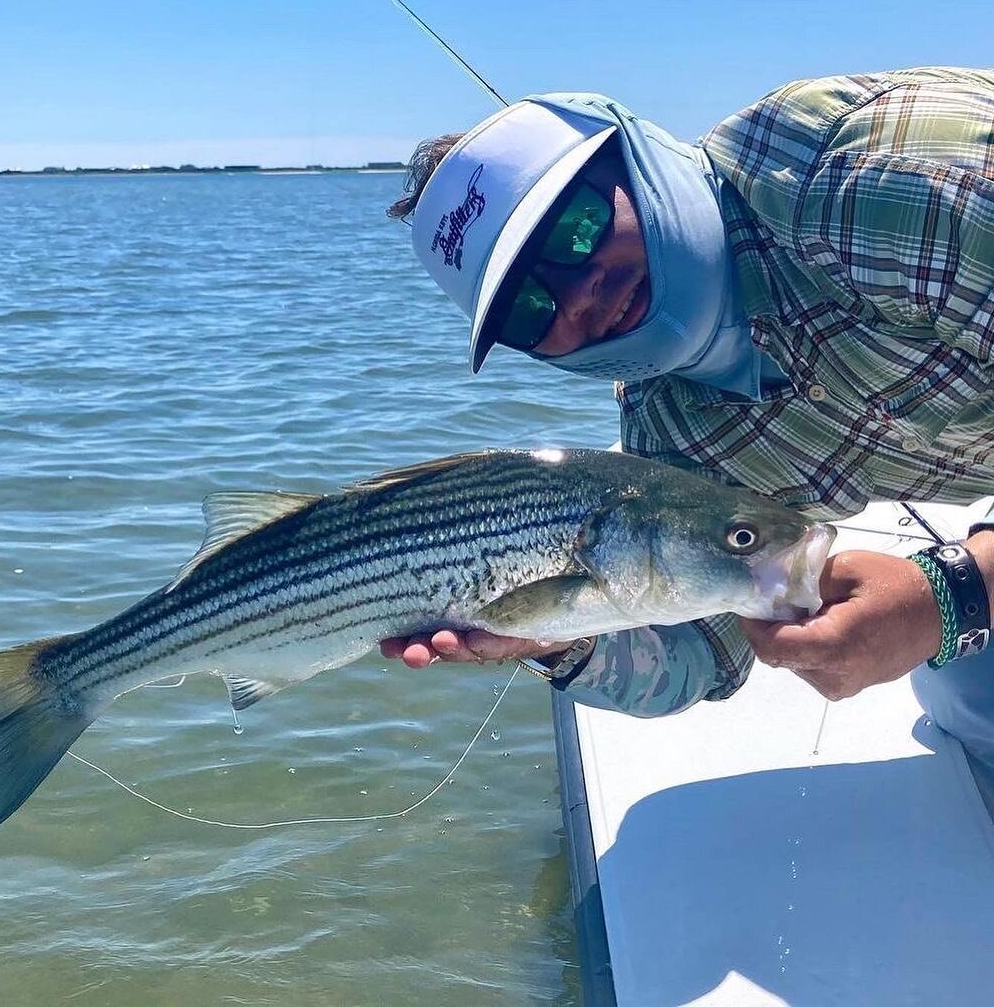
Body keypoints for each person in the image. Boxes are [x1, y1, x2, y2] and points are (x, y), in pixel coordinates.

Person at [378, 68, 994, 802]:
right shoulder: (673, 430)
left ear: (633, 154)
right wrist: (559, 636)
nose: (578, 296)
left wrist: (965, 588)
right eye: (529, 307)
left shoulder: (886, 183)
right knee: (970, 699)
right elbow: (702, 654)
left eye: (576, 230)